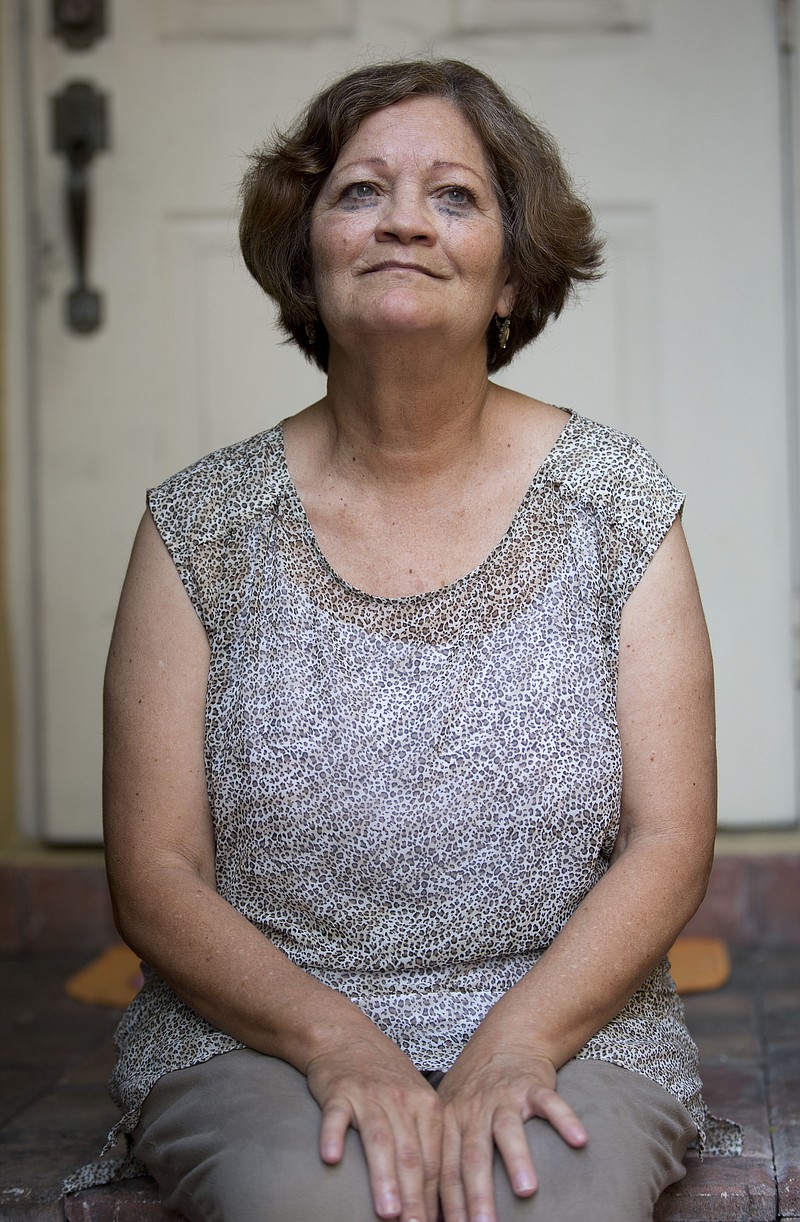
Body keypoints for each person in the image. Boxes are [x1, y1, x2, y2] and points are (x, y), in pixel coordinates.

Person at [74, 58, 741, 1222]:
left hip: (573, 1024)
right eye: (358, 191)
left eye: (453, 196)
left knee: (539, 1203)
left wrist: (517, 1041)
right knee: (323, 1203)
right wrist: (337, 1043)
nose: (400, 222)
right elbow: (155, 874)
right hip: (256, 1037)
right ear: (305, 256)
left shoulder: (615, 504)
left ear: (509, 275)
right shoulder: (197, 526)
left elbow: (670, 837)